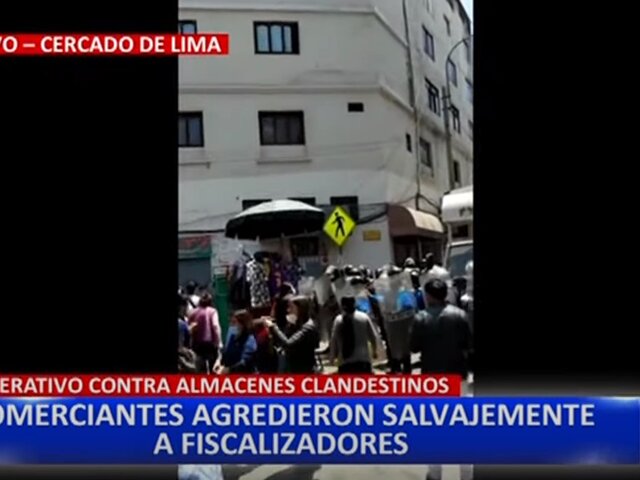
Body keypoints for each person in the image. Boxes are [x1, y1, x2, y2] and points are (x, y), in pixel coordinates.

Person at [411, 279, 473, 480]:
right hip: (457, 378)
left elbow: (414, 347)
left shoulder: (420, 318)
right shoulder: (460, 315)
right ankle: (466, 474)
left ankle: (435, 474)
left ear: (428, 296)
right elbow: (469, 345)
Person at [266, 296, 320, 373]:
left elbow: (289, 343)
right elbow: (285, 338)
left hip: (305, 370)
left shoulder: (308, 327)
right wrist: (290, 326)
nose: (288, 310)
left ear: (300, 309)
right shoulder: (298, 323)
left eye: (292, 307)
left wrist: (273, 327)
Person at [330, 296, 380, 373]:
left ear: (342, 305)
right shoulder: (364, 317)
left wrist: (332, 357)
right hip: (363, 360)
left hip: (345, 363)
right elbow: (373, 336)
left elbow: (334, 340)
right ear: (354, 303)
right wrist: (374, 351)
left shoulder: (338, 320)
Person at [188, 293, 222, 374]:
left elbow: (189, 326)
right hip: (210, 343)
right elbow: (215, 326)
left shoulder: (193, 312)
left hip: (197, 344)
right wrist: (219, 341)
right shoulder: (212, 311)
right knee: (213, 368)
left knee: (200, 369)